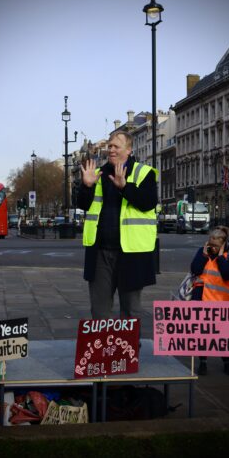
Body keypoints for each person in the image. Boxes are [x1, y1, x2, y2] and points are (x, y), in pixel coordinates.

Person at [77, 131, 158, 325]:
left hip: (131, 253)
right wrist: (86, 186)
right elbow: (82, 204)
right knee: (99, 310)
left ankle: (128, 353)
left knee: (131, 311)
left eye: (116, 146)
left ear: (128, 150)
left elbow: (148, 203)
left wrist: (124, 187)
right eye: (110, 146)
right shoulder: (97, 174)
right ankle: (104, 353)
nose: (111, 149)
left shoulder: (143, 173)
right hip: (100, 252)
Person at [191, 227, 229, 376]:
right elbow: (195, 269)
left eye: (216, 246)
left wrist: (220, 256)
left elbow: (227, 274)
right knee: (202, 335)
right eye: (211, 244)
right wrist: (204, 255)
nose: (213, 248)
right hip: (202, 298)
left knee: (223, 336)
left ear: (223, 244)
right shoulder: (203, 252)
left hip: (221, 301)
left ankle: (226, 362)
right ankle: (203, 362)